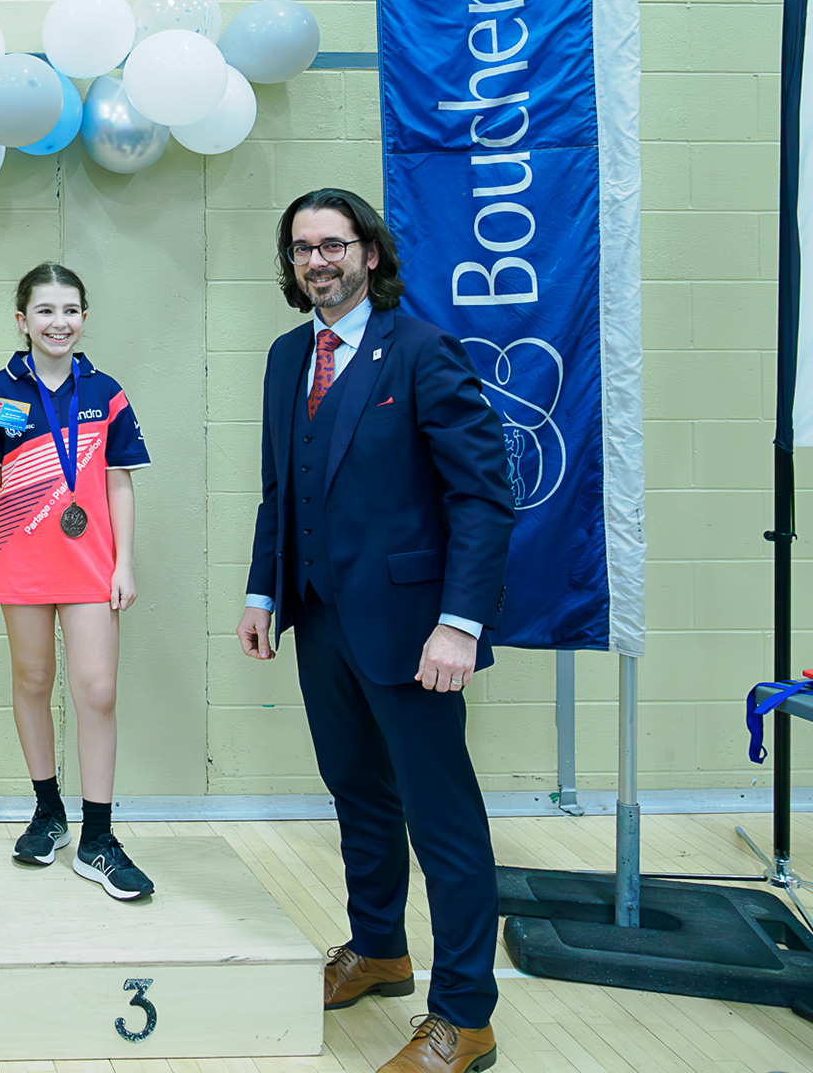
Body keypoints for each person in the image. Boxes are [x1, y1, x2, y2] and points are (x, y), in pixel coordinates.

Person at [237, 188, 513, 1073]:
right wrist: (263, 592)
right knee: (357, 793)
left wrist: (459, 625)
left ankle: (465, 1017)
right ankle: (380, 950)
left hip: (414, 631)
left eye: (333, 244)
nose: (317, 261)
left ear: (370, 254)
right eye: (302, 248)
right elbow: (281, 490)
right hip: (318, 616)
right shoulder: (288, 357)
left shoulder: (424, 352)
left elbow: (483, 498)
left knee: (443, 820)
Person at [0, 264, 154, 901]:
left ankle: (99, 837)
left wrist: (123, 562)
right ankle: (48, 811)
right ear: (22, 320)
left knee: (98, 690)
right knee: (33, 681)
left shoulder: (106, 391)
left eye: (70, 310)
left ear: (84, 317)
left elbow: (120, 480)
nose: (58, 322)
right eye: (45, 311)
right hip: (22, 557)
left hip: (91, 564)